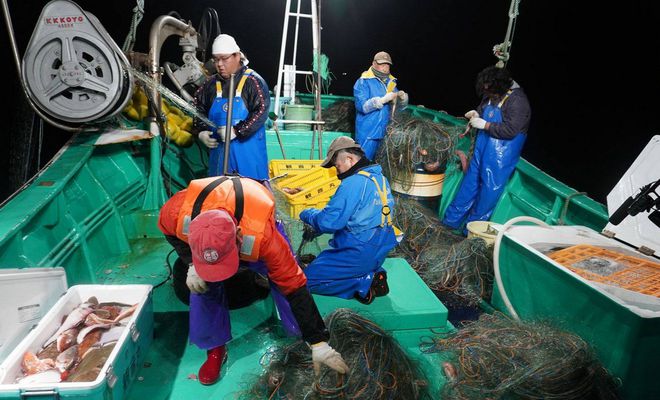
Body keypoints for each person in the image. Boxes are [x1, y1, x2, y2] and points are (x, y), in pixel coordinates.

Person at [158, 176, 348, 385]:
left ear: (239, 236)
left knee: (283, 279)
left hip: (254, 217)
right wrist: (191, 263)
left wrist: (318, 341)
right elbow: (168, 232)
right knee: (202, 288)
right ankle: (215, 348)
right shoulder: (176, 212)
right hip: (211, 223)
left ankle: (301, 335)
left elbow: (294, 285)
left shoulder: (265, 238)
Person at [299, 136, 398, 304]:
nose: (337, 172)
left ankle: (364, 282)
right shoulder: (379, 178)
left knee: (303, 281)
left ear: (350, 159)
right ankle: (373, 272)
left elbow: (328, 222)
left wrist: (306, 213)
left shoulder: (353, 182)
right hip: (380, 246)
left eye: (337, 166)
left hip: (358, 250)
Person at [442, 65, 531, 234]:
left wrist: (485, 124)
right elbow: (484, 110)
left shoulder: (518, 101)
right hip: (481, 149)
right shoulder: (491, 92)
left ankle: (471, 232)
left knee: (488, 192)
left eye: (490, 91)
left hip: (500, 154)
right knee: (468, 186)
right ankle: (449, 223)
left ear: (501, 86)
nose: (488, 94)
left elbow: (511, 130)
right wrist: (476, 114)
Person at [193, 34, 270, 179]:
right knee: (220, 197)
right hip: (219, 161)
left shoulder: (253, 82)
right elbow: (198, 108)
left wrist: (237, 131)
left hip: (248, 161)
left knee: (249, 198)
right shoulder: (209, 85)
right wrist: (201, 131)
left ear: (236, 56)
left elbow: (261, 110)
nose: (219, 64)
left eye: (224, 58)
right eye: (216, 59)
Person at [353, 51, 408, 160]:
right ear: (374, 63)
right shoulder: (363, 81)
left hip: (386, 132)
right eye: (382, 64)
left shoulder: (391, 82)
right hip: (368, 132)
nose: (385, 67)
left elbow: (398, 109)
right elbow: (362, 106)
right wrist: (382, 100)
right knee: (363, 161)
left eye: (387, 64)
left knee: (381, 164)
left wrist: (403, 100)